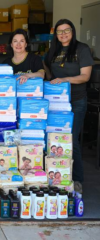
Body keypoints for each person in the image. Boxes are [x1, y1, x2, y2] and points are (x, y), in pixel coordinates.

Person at [44, 19, 94, 193]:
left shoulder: (82, 49)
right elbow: (48, 72)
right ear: (55, 34)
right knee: (54, 139)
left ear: (72, 31)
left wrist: (65, 80)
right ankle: (56, 177)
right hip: (57, 103)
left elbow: (85, 76)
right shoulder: (53, 51)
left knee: (70, 140)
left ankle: (76, 179)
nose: (63, 34)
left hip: (76, 101)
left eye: (67, 30)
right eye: (59, 31)